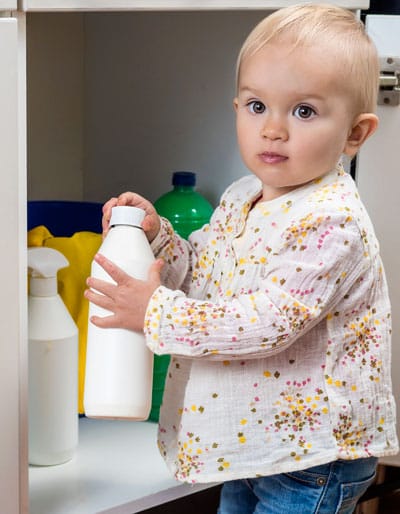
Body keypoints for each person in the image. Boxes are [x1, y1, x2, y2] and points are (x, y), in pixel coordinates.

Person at [85, 3, 399, 513]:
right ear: (237, 109)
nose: (273, 129)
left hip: (310, 458)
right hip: (255, 444)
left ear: (355, 134)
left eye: (303, 111)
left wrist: (154, 312)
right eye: (257, 106)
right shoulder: (242, 196)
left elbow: (266, 322)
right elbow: (205, 274)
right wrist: (159, 239)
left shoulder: (330, 221)